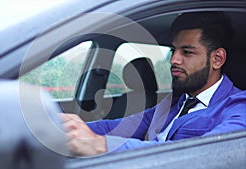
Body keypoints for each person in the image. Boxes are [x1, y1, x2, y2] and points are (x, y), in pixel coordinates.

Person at [60, 11, 246, 156]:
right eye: (173, 50)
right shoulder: (172, 101)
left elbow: (202, 154)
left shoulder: (238, 108)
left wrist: (99, 144)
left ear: (217, 59)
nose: (174, 59)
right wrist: (69, 127)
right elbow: (119, 127)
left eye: (187, 52)